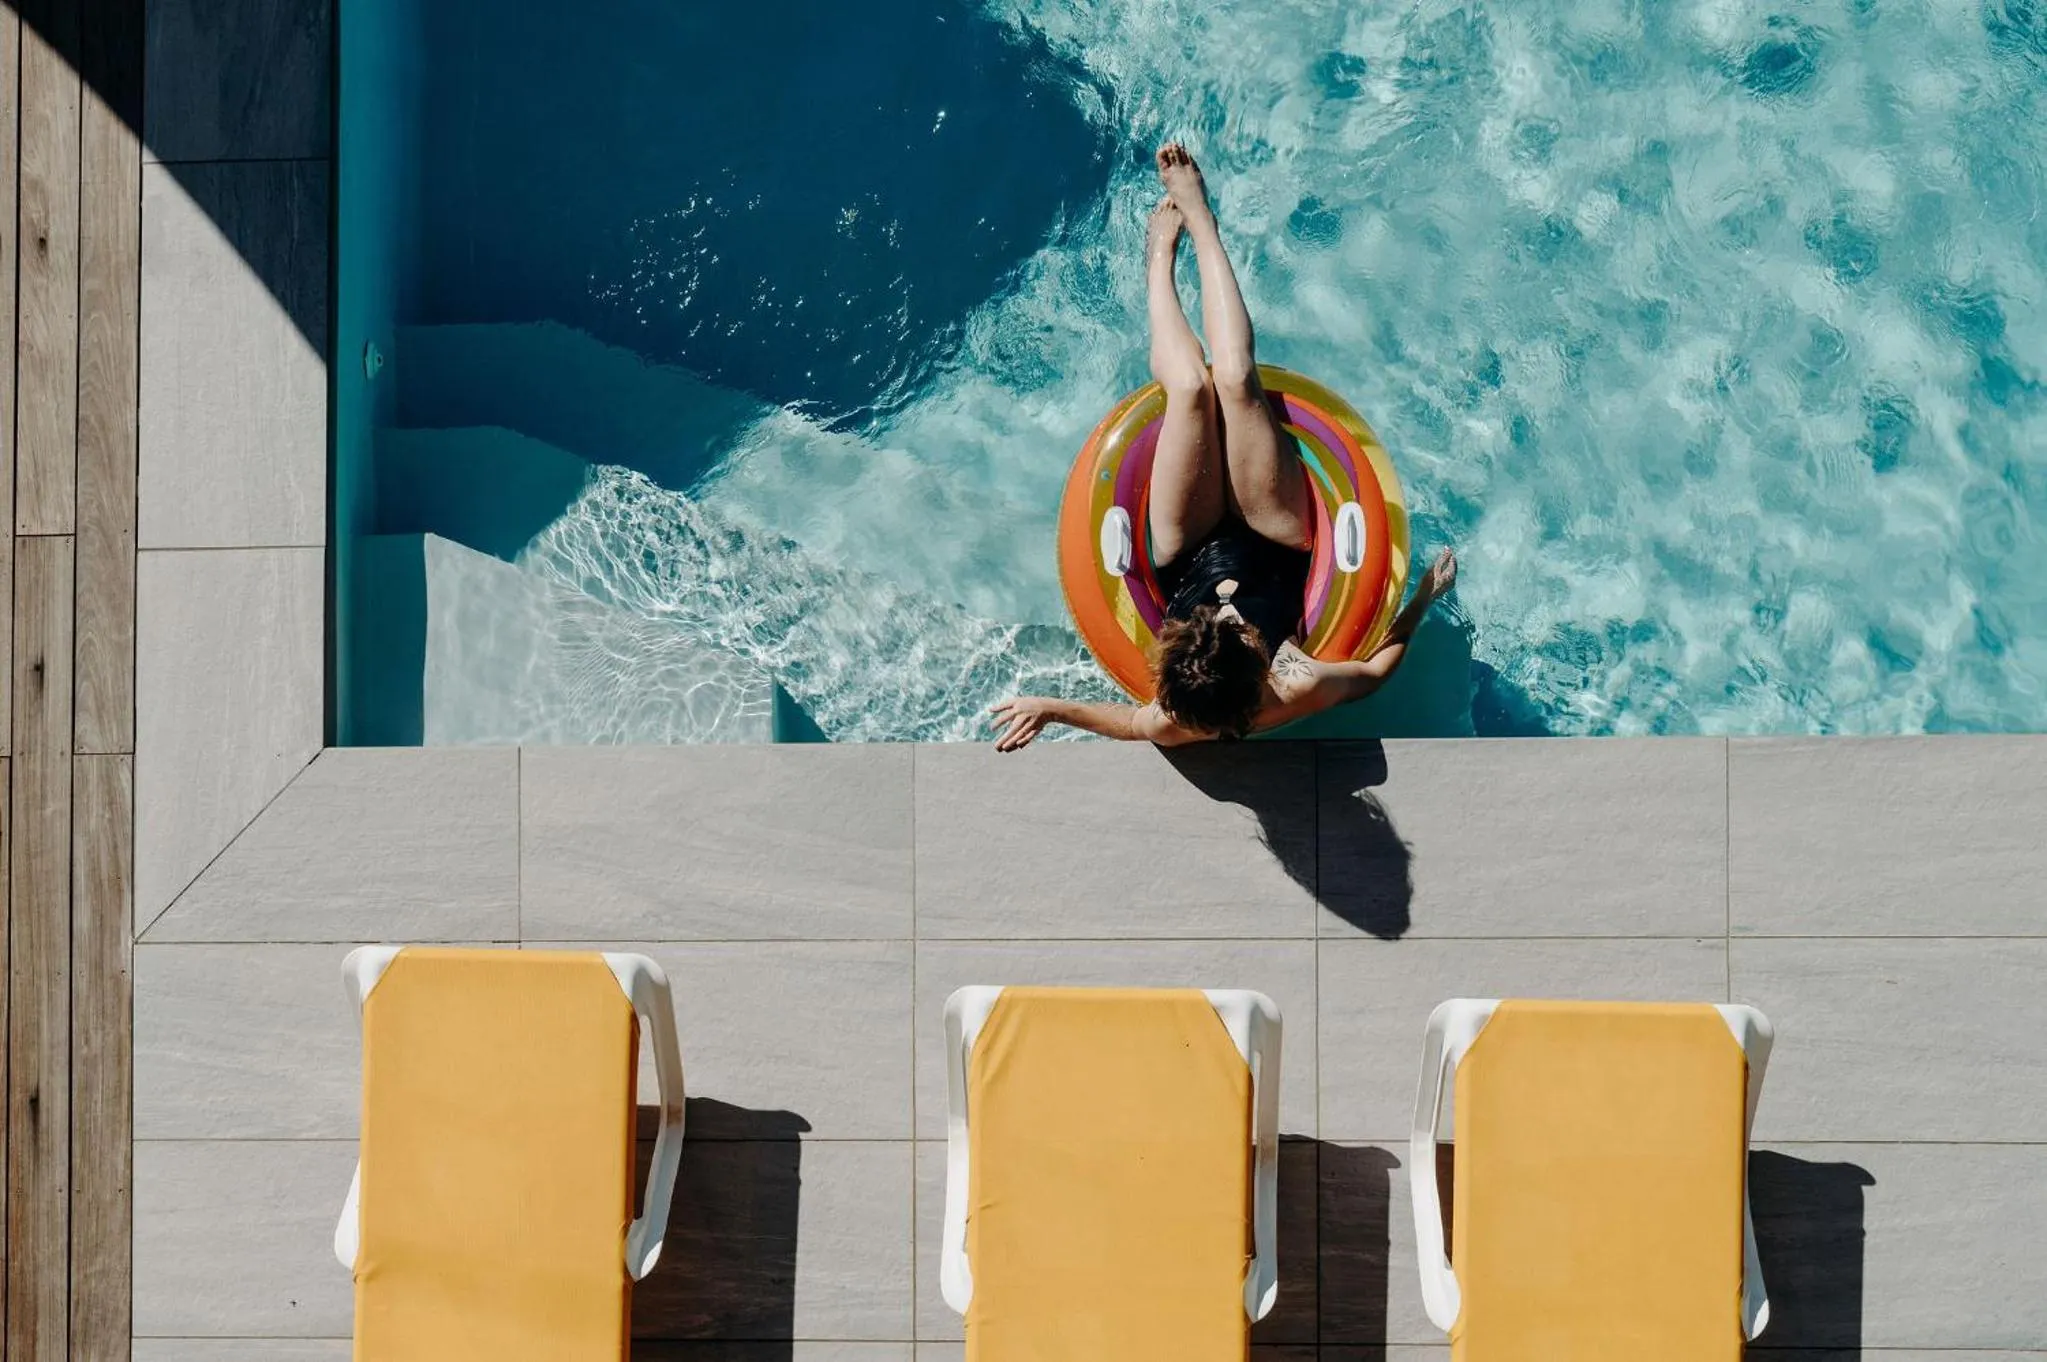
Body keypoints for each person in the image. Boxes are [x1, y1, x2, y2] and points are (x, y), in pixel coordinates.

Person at [991, 143, 1458, 753]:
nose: (1234, 618)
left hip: (1186, 554)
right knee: (1235, 379)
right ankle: (1203, 224)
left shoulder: (1174, 715)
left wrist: (1051, 708)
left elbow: (1132, 724)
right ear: (1261, 668)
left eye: (1218, 623)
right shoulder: (1294, 681)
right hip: (1278, 539)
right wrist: (1422, 597)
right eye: (1239, 632)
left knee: (1189, 388)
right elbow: (1372, 675)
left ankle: (1158, 260)